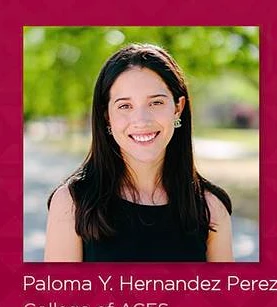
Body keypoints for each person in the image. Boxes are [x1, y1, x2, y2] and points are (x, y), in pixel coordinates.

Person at [44, 43, 233, 262]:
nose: (141, 120)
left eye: (156, 102)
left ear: (178, 108)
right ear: (107, 115)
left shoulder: (212, 208)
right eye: (125, 106)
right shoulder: (72, 204)